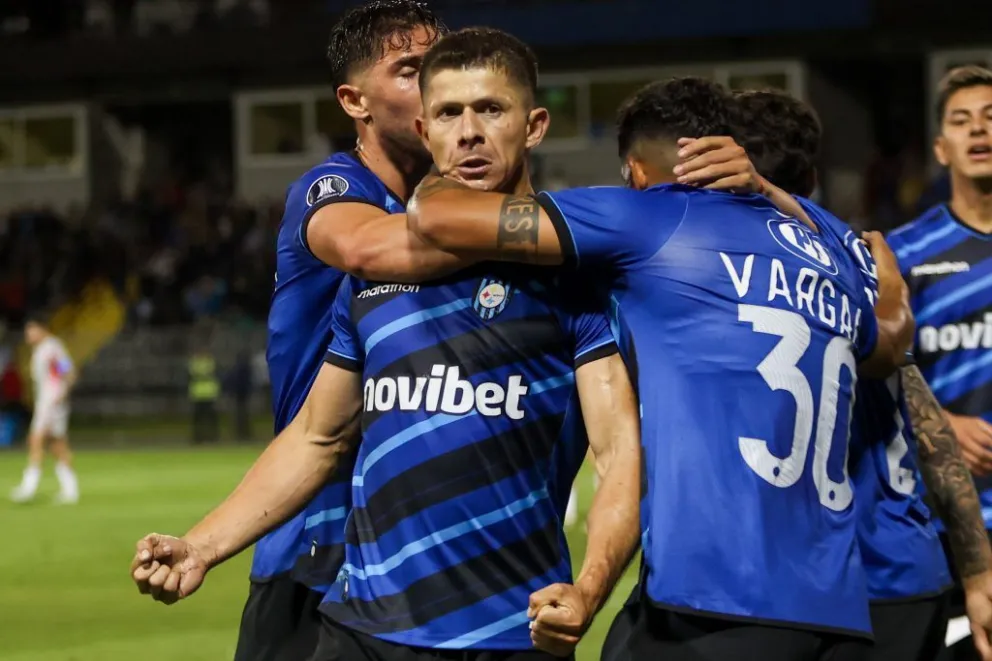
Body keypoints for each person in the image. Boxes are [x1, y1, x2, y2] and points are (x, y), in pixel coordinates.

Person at [132, 28, 644, 661]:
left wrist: (591, 589)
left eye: (491, 109)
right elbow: (318, 437)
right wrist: (202, 546)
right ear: (425, 131)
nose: (470, 132)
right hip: (361, 631)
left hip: (510, 629)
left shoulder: (579, 280)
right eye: (450, 114)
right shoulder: (375, 281)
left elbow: (618, 451)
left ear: (534, 125)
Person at [404, 76, 914, 660]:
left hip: (717, 602)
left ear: (637, 173)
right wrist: (886, 281)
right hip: (839, 613)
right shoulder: (824, 247)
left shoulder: (648, 217)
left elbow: (437, 215)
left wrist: (443, 145)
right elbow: (889, 344)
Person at [735, 87, 992, 661]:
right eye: (962, 119)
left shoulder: (740, 282)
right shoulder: (882, 256)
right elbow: (917, 403)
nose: (979, 131)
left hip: (845, 571)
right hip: (909, 553)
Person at [233, 3, 455, 660]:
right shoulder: (330, 188)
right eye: (410, 70)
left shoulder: (452, 203)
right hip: (314, 542)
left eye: (441, 67)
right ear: (354, 100)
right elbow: (363, 247)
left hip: (417, 552)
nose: (435, 87)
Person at [885, 65, 992, 660]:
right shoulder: (904, 254)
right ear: (940, 147)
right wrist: (946, 425)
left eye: (991, 118)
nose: (979, 131)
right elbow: (874, 386)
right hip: (953, 523)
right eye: (962, 120)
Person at [11, 316, 79, 504]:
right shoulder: (42, 349)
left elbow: (67, 370)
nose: (28, 335)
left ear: (42, 329)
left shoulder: (51, 348)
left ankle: (29, 486)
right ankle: (70, 490)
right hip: (48, 401)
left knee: (35, 439)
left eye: (31, 330)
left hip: (52, 403)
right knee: (57, 445)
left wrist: (60, 395)